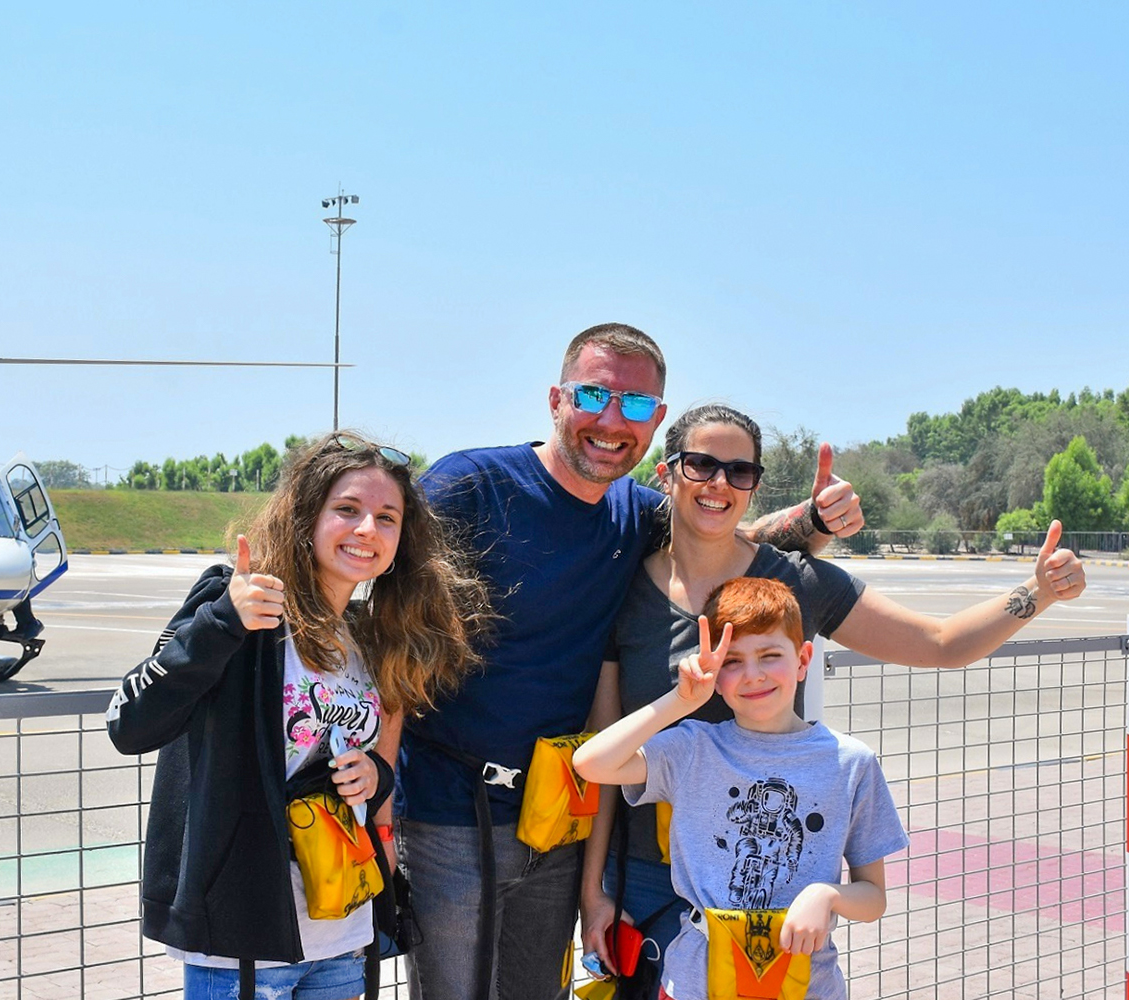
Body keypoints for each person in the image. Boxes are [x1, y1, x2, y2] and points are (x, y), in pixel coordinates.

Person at [397, 323, 866, 1000]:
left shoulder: (633, 511)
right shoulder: (471, 485)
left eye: (637, 406)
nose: (614, 420)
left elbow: (718, 534)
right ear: (556, 399)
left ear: (658, 423)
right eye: (594, 394)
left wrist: (814, 523)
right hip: (450, 811)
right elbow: (379, 604)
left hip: (560, 812)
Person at [578, 403, 1086, 993]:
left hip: (775, 895)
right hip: (647, 884)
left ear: (755, 486)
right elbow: (601, 755)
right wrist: (595, 894)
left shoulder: (797, 582)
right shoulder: (626, 591)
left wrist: (1039, 591)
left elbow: (941, 643)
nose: (719, 484)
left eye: (739, 472)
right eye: (701, 466)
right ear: (666, 474)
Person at [105, 433, 489, 1000]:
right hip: (245, 936)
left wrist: (373, 776)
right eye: (347, 510)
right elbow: (130, 724)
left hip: (340, 930)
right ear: (307, 516)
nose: (367, 530)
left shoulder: (366, 634)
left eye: (387, 518)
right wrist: (221, 623)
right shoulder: (238, 602)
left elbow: (341, 758)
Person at [572, 577, 912, 1000]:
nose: (753, 676)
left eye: (771, 656)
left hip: (806, 985)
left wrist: (828, 896)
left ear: (804, 659)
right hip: (696, 982)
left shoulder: (850, 763)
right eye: (733, 661)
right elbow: (591, 763)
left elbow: (873, 897)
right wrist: (679, 701)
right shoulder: (693, 748)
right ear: (714, 673)